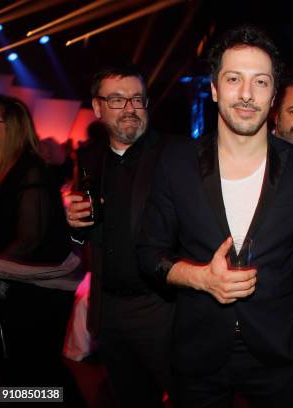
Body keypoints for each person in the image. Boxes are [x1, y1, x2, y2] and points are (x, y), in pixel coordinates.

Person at [137, 26, 293, 407]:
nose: (246, 94)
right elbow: (148, 253)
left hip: (279, 351)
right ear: (214, 88)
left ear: (274, 94)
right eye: (234, 79)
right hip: (199, 351)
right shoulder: (177, 163)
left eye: (260, 82)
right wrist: (201, 278)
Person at [64, 67, 174, 407]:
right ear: (97, 108)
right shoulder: (90, 159)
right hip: (108, 309)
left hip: (162, 310)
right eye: (117, 99)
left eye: (137, 99)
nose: (129, 108)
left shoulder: (175, 154)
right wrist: (74, 226)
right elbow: (90, 232)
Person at [0, 94, 81, 397]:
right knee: (17, 372)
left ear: (13, 128)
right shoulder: (4, 168)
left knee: (35, 372)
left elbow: (30, 239)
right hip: (13, 287)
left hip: (37, 293)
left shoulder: (30, 170)